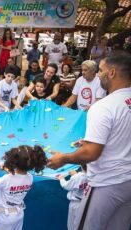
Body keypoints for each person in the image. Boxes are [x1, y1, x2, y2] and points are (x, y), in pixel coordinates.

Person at [48, 51, 131, 230]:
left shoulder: (104, 106)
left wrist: (63, 158)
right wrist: (89, 141)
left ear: (112, 73)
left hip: (106, 182)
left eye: (101, 70)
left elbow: (91, 153)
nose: (99, 74)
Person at [0, 145, 47, 230]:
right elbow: (17, 178)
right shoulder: (30, 178)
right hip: (19, 214)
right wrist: (7, 169)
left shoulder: (7, 179)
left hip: (4, 217)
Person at [58, 165, 88, 230]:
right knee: (83, 223)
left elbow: (66, 186)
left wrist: (61, 178)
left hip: (75, 203)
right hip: (87, 202)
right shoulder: (93, 175)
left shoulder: (77, 177)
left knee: (72, 224)